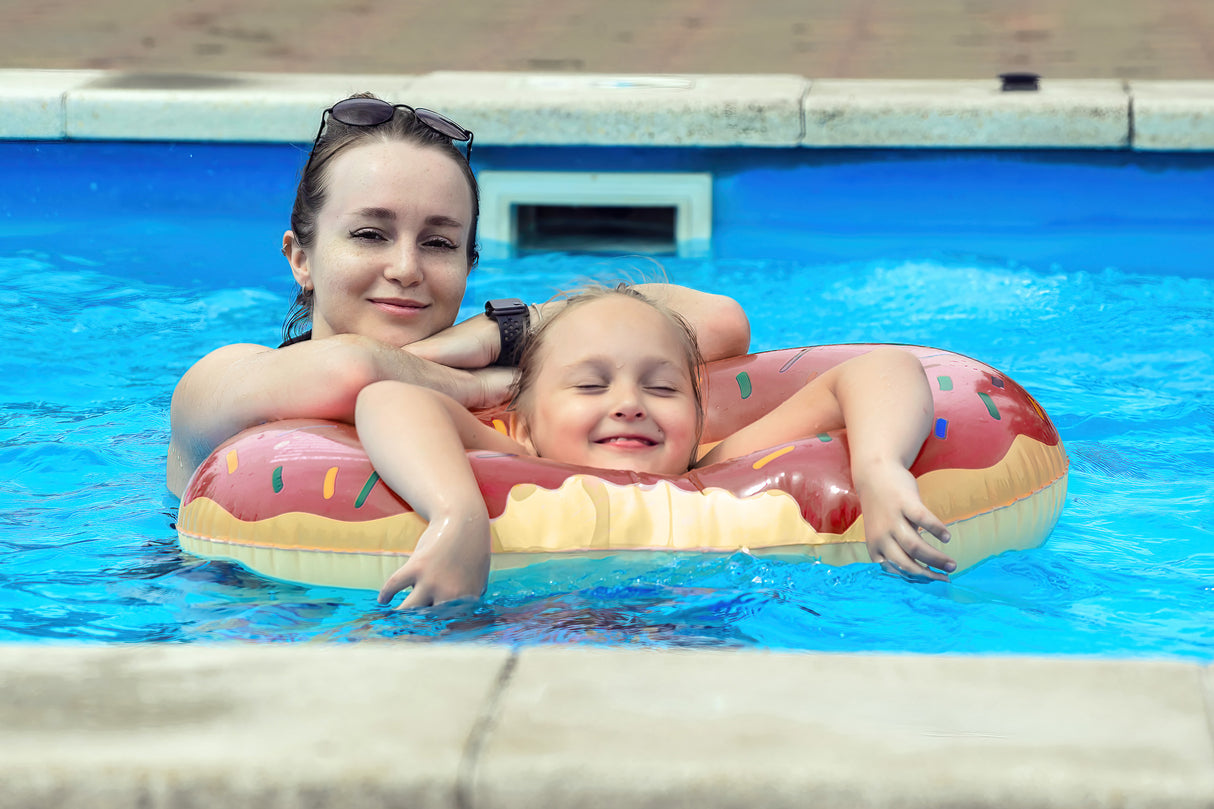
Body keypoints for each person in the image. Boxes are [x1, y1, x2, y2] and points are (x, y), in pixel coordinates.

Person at [166, 94, 750, 498]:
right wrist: (480, 386)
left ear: (469, 264)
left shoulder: (500, 359)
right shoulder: (221, 382)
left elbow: (718, 320)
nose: (406, 269)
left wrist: (506, 330)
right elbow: (347, 372)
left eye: (439, 243)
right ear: (300, 257)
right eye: (370, 235)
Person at [356, 284, 957, 609]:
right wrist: (456, 512)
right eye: (590, 385)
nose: (629, 403)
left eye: (662, 388)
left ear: (697, 418)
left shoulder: (716, 472)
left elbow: (882, 368)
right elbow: (390, 399)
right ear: (525, 425)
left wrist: (879, 466)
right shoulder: (521, 463)